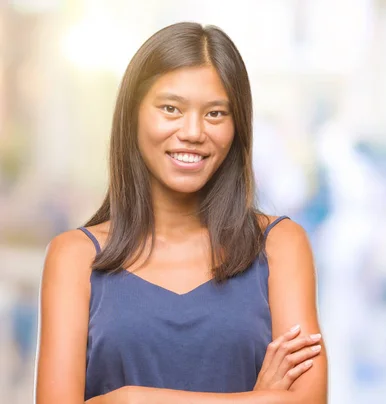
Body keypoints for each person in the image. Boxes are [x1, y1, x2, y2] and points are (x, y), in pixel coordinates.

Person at [34, 22, 327, 404]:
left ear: (237, 127)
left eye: (216, 114)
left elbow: (310, 400)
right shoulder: (74, 257)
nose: (192, 131)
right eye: (171, 108)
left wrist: (128, 400)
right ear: (133, 115)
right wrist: (258, 399)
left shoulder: (280, 246)